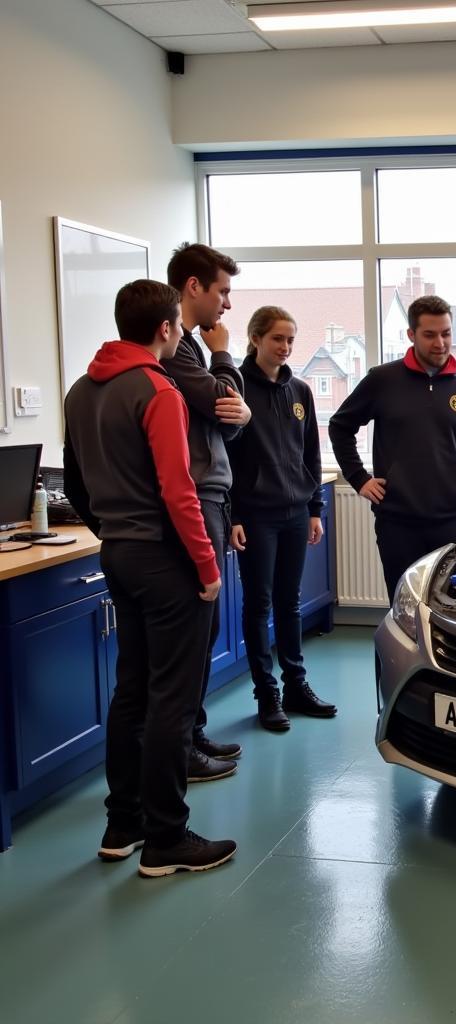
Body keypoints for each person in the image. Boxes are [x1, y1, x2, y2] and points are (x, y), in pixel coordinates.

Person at [63, 279, 237, 877]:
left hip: (118, 554)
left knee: (132, 691)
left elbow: (77, 487)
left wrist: (113, 529)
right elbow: (179, 491)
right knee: (172, 698)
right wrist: (207, 567)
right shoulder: (158, 390)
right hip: (167, 560)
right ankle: (168, 838)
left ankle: (124, 822)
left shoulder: (81, 391)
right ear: (167, 329)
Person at [329, 294, 456, 601]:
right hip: (398, 521)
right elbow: (340, 426)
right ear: (411, 335)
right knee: (404, 606)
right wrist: (359, 478)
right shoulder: (382, 380)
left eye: (446, 333)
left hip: (454, 521)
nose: (440, 342)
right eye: (430, 335)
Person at [164, 242, 251, 783]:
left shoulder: (189, 346)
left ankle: (192, 734)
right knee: (196, 626)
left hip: (213, 493)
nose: (226, 306)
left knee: (206, 624)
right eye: (222, 292)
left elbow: (232, 418)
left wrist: (235, 407)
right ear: (193, 287)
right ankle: (182, 748)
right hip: (198, 496)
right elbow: (219, 401)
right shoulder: (175, 346)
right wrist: (223, 357)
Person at [227, 306, 337, 731]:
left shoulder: (301, 391)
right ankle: (266, 694)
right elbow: (226, 456)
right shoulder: (234, 388)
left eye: (290, 339)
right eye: (277, 339)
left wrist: (314, 509)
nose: (285, 347)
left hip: (295, 512)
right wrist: (233, 514)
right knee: (259, 606)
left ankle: (296, 685)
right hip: (255, 515)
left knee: (289, 604)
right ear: (255, 339)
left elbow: (311, 452)